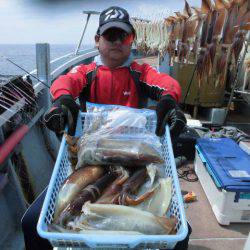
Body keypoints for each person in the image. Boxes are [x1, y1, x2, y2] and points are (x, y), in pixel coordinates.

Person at [22, 6, 190, 250]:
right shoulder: (87, 72)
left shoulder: (141, 72)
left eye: (125, 36)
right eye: (111, 36)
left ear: (132, 40)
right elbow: (66, 82)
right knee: (31, 224)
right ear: (97, 40)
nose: (118, 42)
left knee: (181, 232)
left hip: (134, 158)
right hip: (92, 158)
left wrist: (169, 101)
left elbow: (166, 83)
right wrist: (62, 101)